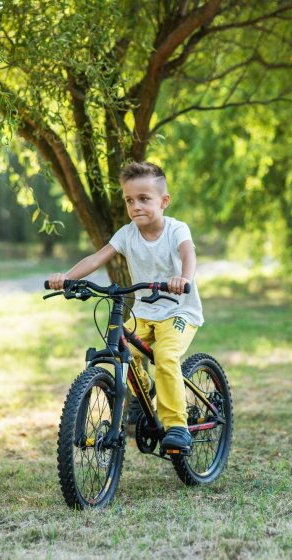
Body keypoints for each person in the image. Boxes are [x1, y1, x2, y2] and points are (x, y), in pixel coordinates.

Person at [47, 161, 203, 453]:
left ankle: (178, 426)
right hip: (144, 313)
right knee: (122, 352)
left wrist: (184, 278)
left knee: (166, 356)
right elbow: (97, 258)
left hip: (178, 311)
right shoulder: (127, 233)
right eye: (130, 200)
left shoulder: (176, 230)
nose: (136, 206)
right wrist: (67, 278)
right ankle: (143, 394)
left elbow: (188, 252)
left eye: (144, 199)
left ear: (163, 201)